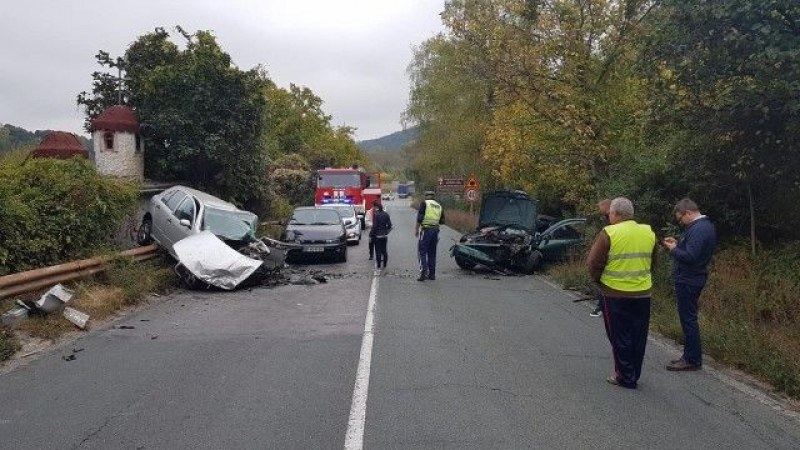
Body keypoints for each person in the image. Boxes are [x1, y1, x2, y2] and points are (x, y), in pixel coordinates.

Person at [587, 197, 657, 389]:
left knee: (619, 336)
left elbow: (594, 262)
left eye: (610, 213)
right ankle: (634, 372)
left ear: (615, 214)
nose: (609, 216)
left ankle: (625, 376)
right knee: (638, 335)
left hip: (615, 293)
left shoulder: (609, 233)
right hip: (642, 293)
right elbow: (653, 262)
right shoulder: (648, 232)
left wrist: (598, 282)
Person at [662, 198, 716, 371]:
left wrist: (674, 250)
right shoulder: (701, 227)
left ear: (688, 213)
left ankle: (692, 359)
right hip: (691, 277)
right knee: (688, 319)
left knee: (688, 320)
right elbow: (692, 251)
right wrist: (677, 245)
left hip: (689, 279)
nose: (680, 222)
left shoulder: (699, 229)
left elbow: (691, 257)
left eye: (680, 218)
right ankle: (689, 356)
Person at [415, 190, 445, 281]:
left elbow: (419, 218)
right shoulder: (439, 206)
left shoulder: (424, 204)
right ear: (433, 196)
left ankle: (423, 271)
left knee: (422, 251)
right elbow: (442, 221)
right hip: (435, 231)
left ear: (426, 196)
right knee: (432, 253)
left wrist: (416, 229)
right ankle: (432, 274)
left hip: (426, 230)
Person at [590, 198, 612, 317]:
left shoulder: (613, 219)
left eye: (600, 209)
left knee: (605, 284)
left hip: (611, 259)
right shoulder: (609, 218)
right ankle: (601, 306)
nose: (600, 211)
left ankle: (601, 307)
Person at [370, 199, 392, 269]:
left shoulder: (376, 215)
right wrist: (386, 231)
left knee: (378, 251)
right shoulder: (386, 214)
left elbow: (374, 226)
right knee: (384, 250)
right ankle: (385, 264)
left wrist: (371, 235)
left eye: (374, 207)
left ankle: (379, 265)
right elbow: (389, 225)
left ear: (377, 207)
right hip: (384, 236)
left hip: (378, 236)